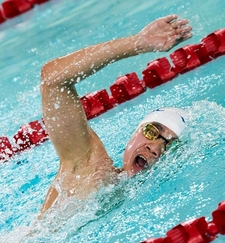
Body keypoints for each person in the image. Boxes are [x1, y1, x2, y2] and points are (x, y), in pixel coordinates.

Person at [39, 15, 192, 216]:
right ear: (134, 134)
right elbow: (52, 80)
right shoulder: (90, 170)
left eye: (169, 146)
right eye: (151, 131)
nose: (155, 148)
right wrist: (137, 43)